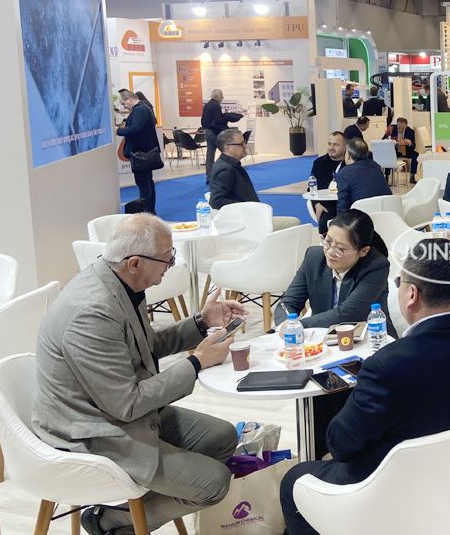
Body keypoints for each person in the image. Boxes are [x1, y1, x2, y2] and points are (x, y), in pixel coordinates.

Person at [279, 239, 450, 535]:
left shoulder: (387, 366)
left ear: (412, 294)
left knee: (294, 480)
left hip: (394, 494)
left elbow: (340, 446)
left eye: (399, 283)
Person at [32, 214, 247, 535]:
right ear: (135, 262)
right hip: (90, 434)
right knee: (214, 483)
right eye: (167, 259)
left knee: (223, 437)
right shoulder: (92, 312)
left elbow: (144, 346)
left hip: (113, 413)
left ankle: (128, 515)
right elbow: (127, 404)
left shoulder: (120, 282)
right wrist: (196, 363)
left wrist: (201, 322)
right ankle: (107, 521)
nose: (171, 265)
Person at [274, 210, 396, 335]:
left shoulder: (376, 267)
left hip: (371, 337)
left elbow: (346, 314)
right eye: (327, 242)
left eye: (340, 249)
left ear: (363, 251)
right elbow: (288, 303)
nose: (330, 252)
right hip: (322, 339)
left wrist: (298, 325)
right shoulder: (314, 258)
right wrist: (286, 324)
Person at [209, 129, 300, 230]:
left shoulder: (228, 165)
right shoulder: (226, 169)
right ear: (228, 147)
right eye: (241, 144)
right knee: (293, 223)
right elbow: (216, 201)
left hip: (249, 217)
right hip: (245, 222)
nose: (245, 146)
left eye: (244, 142)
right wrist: (247, 207)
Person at [117, 90, 160, 215]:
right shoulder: (144, 108)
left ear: (129, 99)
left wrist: (118, 131)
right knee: (147, 182)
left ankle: (146, 210)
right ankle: (149, 209)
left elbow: (135, 129)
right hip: (144, 152)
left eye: (123, 103)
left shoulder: (140, 110)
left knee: (143, 183)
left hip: (140, 154)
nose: (124, 107)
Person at [334, 138, 392, 214]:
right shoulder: (376, 166)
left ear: (348, 156)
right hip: (388, 214)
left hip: (362, 217)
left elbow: (343, 207)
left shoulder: (343, 174)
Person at [310, 131, 347, 234]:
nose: (331, 148)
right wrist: (316, 204)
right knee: (324, 224)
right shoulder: (319, 163)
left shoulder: (349, 163)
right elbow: (311, 187)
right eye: (329, 144)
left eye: (336, 145)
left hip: (345, 202)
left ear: (345, 147)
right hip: (326, 205)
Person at [201, 89, 241, 183]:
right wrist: (227, 120)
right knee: (228, 152)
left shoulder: (207, 105)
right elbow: (218, 120)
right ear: (218, 96)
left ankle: (209, 177)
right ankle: (231, 174)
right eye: (222, 96)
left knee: (210, 156)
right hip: (215, 133)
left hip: (208, 132)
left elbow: (203, 120)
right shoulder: (216, 106)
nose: (223, 98)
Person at [385, 117, 419, 184]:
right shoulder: (392, 128)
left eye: (400, 125)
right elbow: (384, 138)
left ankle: (412, 176)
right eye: (397, 124)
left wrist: (409, 143)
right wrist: (391, 140)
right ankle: (386, 176)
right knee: (389, 155)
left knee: (416, 155)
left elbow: (413, 146)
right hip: (396, 150)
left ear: (405, 124)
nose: (398, 126)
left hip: (406, 151)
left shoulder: (410, 131)